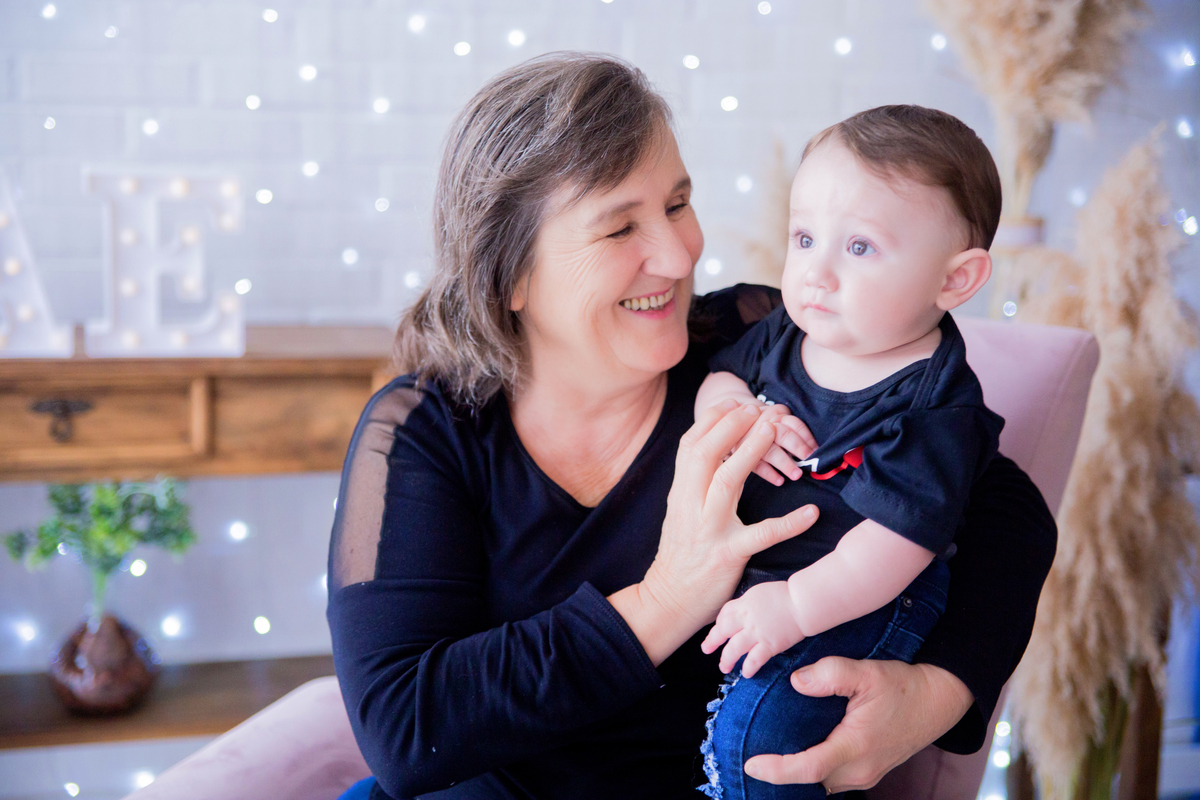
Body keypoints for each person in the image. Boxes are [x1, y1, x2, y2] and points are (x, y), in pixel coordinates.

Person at [326, 53, 1055, 800]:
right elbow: (404, 728)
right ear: (508, 275)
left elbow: (1007, 512)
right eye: (620, 229)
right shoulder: (424, 429)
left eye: (677, 204)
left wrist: (935, 695)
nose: (679, 256)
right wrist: (669, 597)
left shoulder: (769, 347)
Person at [693, 106, 1004, 799]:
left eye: (858, 248)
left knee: (764, 737)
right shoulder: (783, 332)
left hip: (868, 596)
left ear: (954, 281)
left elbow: (895, 545)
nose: (815, 273)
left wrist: (799, 607)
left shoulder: (933, 407)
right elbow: (718, 379)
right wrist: (738, 414)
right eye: (804, 238)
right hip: (768, 589)